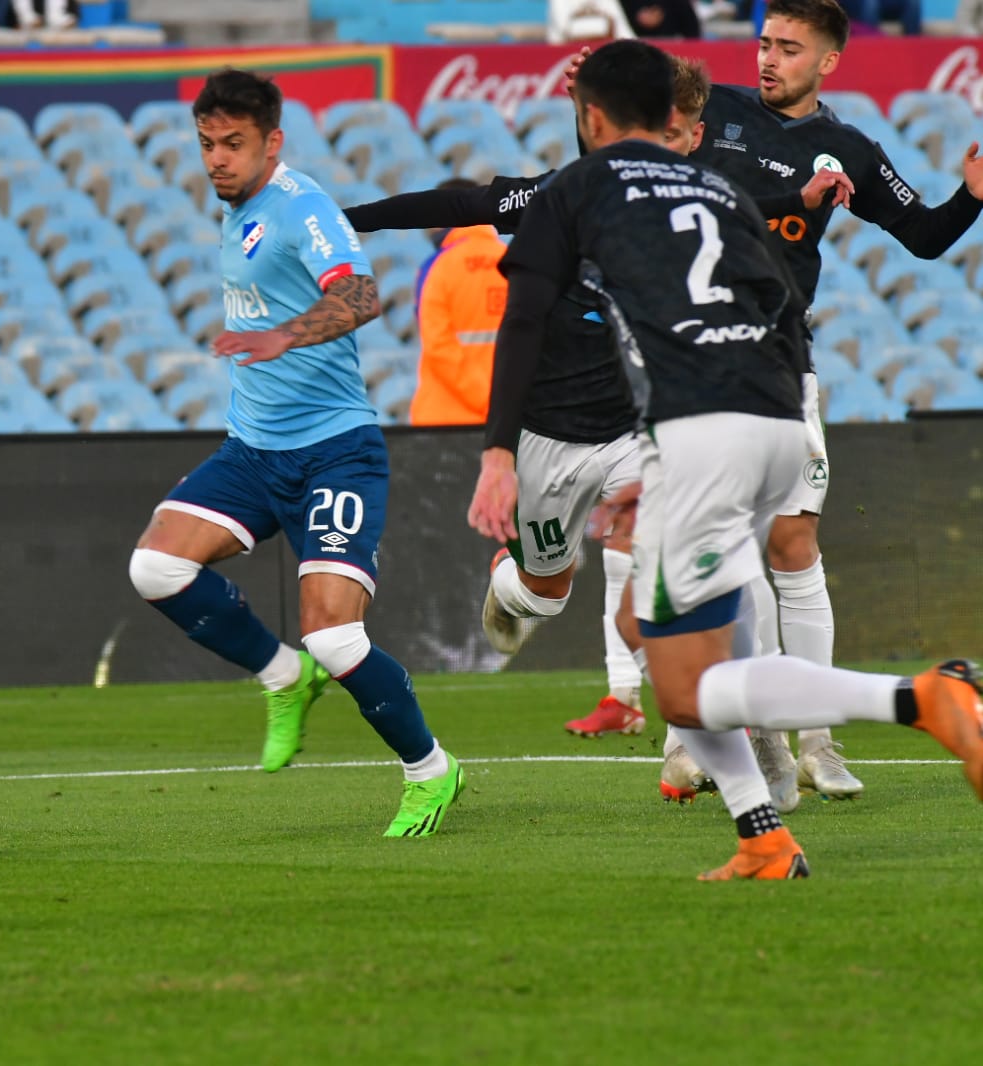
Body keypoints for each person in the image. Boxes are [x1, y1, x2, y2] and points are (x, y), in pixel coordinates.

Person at [469, 38, 983, 880]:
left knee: (683, 682)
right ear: (678, 119)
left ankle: (924, 697)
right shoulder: (718, 189)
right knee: (664, 629)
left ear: (589, 117)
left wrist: (498, 452)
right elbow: (778, 300)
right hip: (774, 414)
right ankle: (763, 836)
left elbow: (523, 319)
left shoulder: (580, 186)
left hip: (704, 432)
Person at [346, 59, 849, 751]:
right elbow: (461, 209)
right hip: (549, 435)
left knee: (678, 566)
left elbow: (741, 212)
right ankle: (516, 588)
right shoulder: (559, 198)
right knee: (543, 592)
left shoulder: (684, 204)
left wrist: (798, 200)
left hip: (634, 430)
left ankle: (701, 743)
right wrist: (349, 221)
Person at [624, 0, 981, 806]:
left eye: (788, 48)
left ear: (827, 62)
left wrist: (970, 198)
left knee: (792, 542)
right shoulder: (709, 110)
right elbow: (633, 161)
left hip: (782, 364)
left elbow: (923, 237)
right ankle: (710, 736)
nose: (767, 59)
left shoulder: (848, 149)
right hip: (687, 362)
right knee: (715, 547)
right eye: (763, 42)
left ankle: (816, 741)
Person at [128, 68, 466, 837]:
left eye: (233, 144)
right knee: (154, 567)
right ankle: (284, 676)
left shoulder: (300, 206)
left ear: (272, 142)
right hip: (253, 452)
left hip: (334, 453)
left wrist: (286, 334)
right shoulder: (237, 209)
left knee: (334, 635)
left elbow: (360, 294)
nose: (216, 159)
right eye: (206, 143)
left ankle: (430, 770)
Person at [402, 178, 507, 427]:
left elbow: (438, 345)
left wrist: (483, 399)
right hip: (509, 418)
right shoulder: (520, 261)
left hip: (446, 419)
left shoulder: (436, 267)